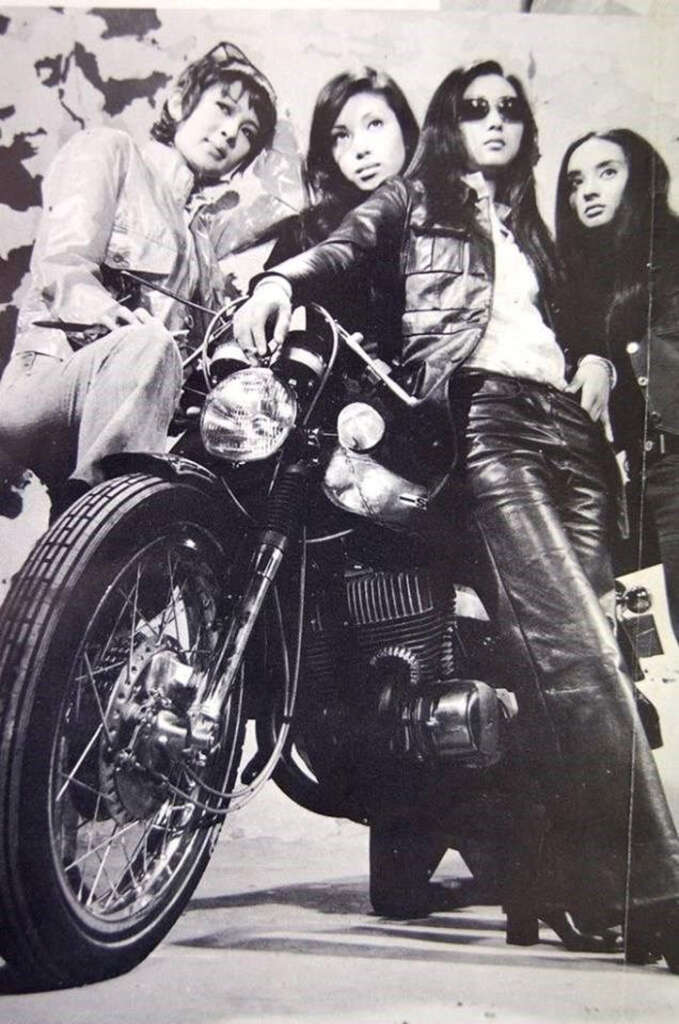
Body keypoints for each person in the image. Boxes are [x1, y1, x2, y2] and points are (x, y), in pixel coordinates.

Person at [232, 60, 679, 969]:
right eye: (475, 108)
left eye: (510, 110)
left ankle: (588, 886)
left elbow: (579, 312)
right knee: (569, 648)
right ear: (445, 122)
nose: (496, 121)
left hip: (573, 442)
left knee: (601, 659)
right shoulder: (414, 200)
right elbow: (345, 245)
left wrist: (595, 354)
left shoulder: (532, 227)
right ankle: (659, 894)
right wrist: (282, 284)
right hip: (491, 421)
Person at [0, 41, 278, 519]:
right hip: (51, 380)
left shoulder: (204, 252)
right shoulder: (111, 150)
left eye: (248, 131)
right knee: (149, 344)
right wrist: (108, 314)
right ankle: (105, 526)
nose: (231, 131)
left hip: (133, 422)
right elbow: (61, 265)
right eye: (224, 108)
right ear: (179, 101)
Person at [556, 129, 679, 641]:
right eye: (575, 181)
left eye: (608, 172)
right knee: (655, 659)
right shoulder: (575, 287)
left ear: (643, 180)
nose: (588, 190)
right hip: (630, 496)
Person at [267, 66, 418, 350]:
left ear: (406, 131)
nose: (360, 148)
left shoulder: (445, 221)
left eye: (374, 124)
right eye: (341, 136)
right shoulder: (305, 232)